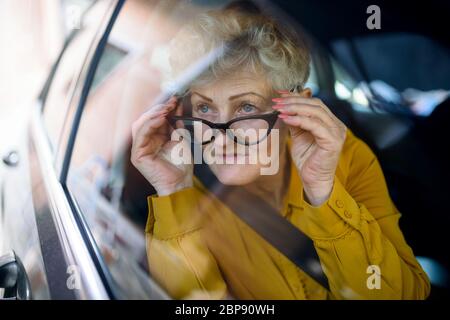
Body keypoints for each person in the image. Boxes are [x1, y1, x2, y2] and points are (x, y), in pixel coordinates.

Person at [130, 5, 430, 299]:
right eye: (205, 108)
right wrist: (173, 189)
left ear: (297, 110)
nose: (220, 139)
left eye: (246, 107)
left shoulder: (345, 157)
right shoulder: (186, 193)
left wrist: (323, 192)